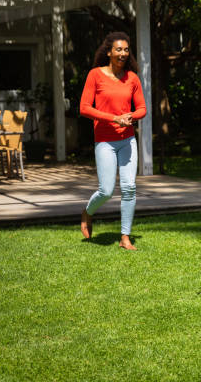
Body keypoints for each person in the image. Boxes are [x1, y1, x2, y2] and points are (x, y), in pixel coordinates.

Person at [79, 31, 147, 250]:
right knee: (106, 190)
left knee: (129, 187)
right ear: (108, 52)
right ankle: (87, 212)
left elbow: (142, 109)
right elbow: (85, 108)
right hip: (105, 141)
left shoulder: (132, 78)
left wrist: (131, 117)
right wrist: (114, 118)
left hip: (127, 140)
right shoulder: (95, 75)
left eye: (126, 50)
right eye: (118, 49)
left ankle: (124, 237)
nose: (123, 53)